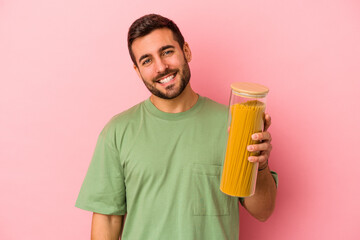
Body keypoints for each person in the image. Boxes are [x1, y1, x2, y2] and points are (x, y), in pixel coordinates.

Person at [75, 14, 278, 240]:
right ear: (137, 70)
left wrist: (260, 165)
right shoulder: (117, 131)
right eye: (147, 60)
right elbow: (108, 219)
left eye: (167, 52)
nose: (161, 67)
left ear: (186, 51)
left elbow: (263, 211)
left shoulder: (233, 124)